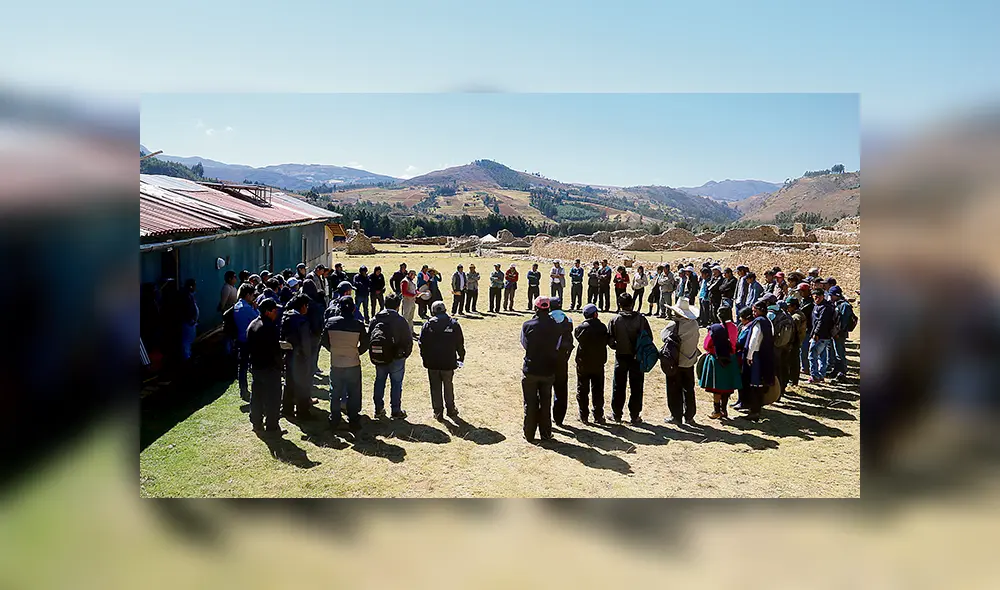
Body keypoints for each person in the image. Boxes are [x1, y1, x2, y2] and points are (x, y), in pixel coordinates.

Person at [323, 296, 369, 431]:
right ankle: (354, 420)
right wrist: (356, 352)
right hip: (353, 363)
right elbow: (366, 343)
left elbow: (323, 341)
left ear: (339, 308)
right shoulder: (358, 324)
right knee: (354, 393)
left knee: (335, 392)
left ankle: (335, 419)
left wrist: (334, 350)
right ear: (354, 309)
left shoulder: (330, 322)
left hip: (336, 362)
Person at [520, 296, 561, 442]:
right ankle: (546, 433)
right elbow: (557, 346)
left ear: (535, 308)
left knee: (530, 403)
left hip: (531, 368)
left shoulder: (527, 325)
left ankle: (529, 433)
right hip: (548, 369)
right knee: (545, 403)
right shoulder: (556, 326)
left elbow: (524, 343)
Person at [608, 292, 652, 424]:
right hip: (637, 357)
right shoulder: (641, 319)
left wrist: (618, 346)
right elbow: (648, 338)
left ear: (620, 305)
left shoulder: (615, 320)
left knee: (618, 386)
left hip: (621, 356)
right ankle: (634, 415)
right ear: (632, 304)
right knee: (637, 386)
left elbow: (610, 340)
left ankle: (617, 414)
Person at [368, 293, 413, 420]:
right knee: (396, 383)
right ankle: (396, 410)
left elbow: (369, 337)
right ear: (398, 306)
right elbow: (408, 340)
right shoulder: (400, 320)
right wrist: (405, 355)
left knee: (379, 381)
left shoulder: (376, 318)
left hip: (380, 355)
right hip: (397, 357)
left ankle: (378, 409)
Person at [419, 300, 466, 421]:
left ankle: (438, 412)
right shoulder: (453, 324)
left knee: (435, 387)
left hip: (432, 363)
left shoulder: (428, 325)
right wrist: (461, 357)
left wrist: (425, 358)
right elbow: (460, 343)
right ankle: (451, 409)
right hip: (448, 361)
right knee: (448, 385)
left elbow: (422, 344)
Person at [246, 299, 285, 434]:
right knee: (273, 398)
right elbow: (275, 351)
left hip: (256, 367)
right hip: (270, 368)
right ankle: (272, 426)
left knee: (257, 396)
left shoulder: (252, 325)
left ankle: (256, 422)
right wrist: (281, 366)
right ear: (268, 312)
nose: (276, 313)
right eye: (274, 310)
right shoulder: (269, 328)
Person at [663, 298, 702, 425]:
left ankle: (676, 415)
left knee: (674, 389)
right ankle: (689, 416)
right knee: (689, 389)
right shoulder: (694, 324)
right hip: (689, 361)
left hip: (676, 362)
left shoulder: (675, 325)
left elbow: (663, 336)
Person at [699, 305, 741, 420]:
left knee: (717, 387)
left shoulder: (716, 329)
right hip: (731, 359)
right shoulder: (734, 327)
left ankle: (716, 411)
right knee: (726, 386)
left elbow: (707, 345)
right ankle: (724, 410)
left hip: (717, 359)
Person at [739, 300, 776, 422]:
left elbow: (754, 340)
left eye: (755, 310)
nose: (753, 313)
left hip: (756, 355)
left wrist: (749, 356)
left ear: (761, 310)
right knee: (759, 383)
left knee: (755, 384)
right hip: (765, 355)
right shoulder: (768, 322)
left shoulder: (758, 323)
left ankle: (754, 411)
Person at [573, 304, 609, 424]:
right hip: (598, 363)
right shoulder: (603, 327)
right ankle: (598, 415)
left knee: (582, 390)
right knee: (598, 390)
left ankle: (584, 415)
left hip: (583, 363)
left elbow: (577, 336)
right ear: (595, 314)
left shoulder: (580, 328)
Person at [280, 294, 314, 419]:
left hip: (289, 355)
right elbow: (305, 343)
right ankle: (302, 411)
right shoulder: (302, 321)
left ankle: (287, 409)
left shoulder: (285, 316)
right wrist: (308, 356)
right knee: (303, 385)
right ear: (303, 306)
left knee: (289, 383)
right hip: (300, 357)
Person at [549, 297, 575, 426]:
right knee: (561, 389)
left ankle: (544, 417)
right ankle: (559, 418)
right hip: (562, 358)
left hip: (547, 358)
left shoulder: (546, 319)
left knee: (543, 389)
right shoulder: (568, 319)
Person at [233, 283, 259, 401]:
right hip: (250, 340)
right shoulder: (247, 308)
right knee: (254, 365)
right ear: (248, 294)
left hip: (240, 338)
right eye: (252, 295)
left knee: (242, 367)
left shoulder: (236, 306)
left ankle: (243, 389)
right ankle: (256, 389)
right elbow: (258, 318)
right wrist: (256, 308)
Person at [808, 288, 836, 384]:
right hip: (823, 336)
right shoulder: (817, 306)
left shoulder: (825, 308)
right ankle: (821, 375)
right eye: (815, 296)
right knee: (822, 356)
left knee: (812, 355)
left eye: (818, 296)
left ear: (823, 296)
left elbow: (822, 322)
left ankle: (815, 376)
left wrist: (816, 333)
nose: (816, 298)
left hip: (821, 336)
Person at [828, 285, 855, 381]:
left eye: (832, 295)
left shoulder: (844, 306)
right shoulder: (836, 304)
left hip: (839, 333)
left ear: (837, 295)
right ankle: (836, 370)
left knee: (840, 352)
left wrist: (838, 332)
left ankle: (842, 372)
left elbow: (843, 322)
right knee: (835, 352)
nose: (830, 297)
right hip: (835, 333)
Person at [786, 297, 808, 389]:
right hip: (796, 341)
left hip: (795, 342)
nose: (787, 309)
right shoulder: (797, 314)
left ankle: (793, 380)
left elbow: (793, 331)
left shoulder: (796, 317)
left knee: (793, 362)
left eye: (789, 306)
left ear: (794, 306)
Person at [179, 278, 199, 362]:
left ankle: (188, 355)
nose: (195, 287)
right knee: (186, 341)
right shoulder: (186, 296)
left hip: (191, 322)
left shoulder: (189, 295)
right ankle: (186, 358)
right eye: (194, 285)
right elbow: (187, 310)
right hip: (188, 322)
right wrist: (190, 319)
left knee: (189, 340)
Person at [400, 269, 418, 334]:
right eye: (413, 276)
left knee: (411, 317)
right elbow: (404, 292)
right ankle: (403, 332)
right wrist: (413, 295)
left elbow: (413, 290)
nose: (414, 277)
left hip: (412, 301)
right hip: (407, 301)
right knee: (405, 317)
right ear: (410, 274)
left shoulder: (411, 282)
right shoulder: (405, 281)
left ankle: (411, 331)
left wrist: (418, 293)